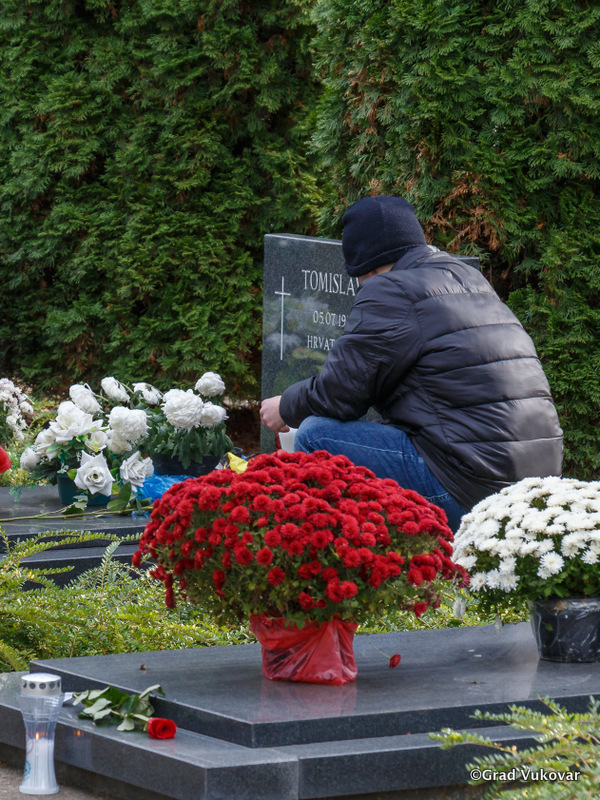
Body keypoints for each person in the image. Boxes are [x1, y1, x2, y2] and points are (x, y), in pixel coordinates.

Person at [260, 195, 563, 530]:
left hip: (471, 488)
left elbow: (340, 395)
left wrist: (284, 406)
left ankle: (335, 552)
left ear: (366, 269)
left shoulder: (389, 289)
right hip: (533, 485)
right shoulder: (466, 278)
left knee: (315, 437)